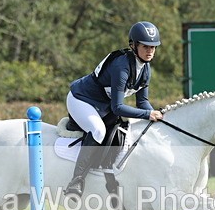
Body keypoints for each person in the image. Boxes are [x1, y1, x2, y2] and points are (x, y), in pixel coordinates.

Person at [64, 21, 164, 197]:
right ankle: (76, 181)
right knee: (98, 130)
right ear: (133, 45)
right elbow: (117, 108)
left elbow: (143, 103)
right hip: (82, 99)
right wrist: (149, 114)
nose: (150, 51)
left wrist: (158, 116)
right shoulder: (121, 66)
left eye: (153, 47)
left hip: (102, 106)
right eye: (145, 46)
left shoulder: (145, 69)